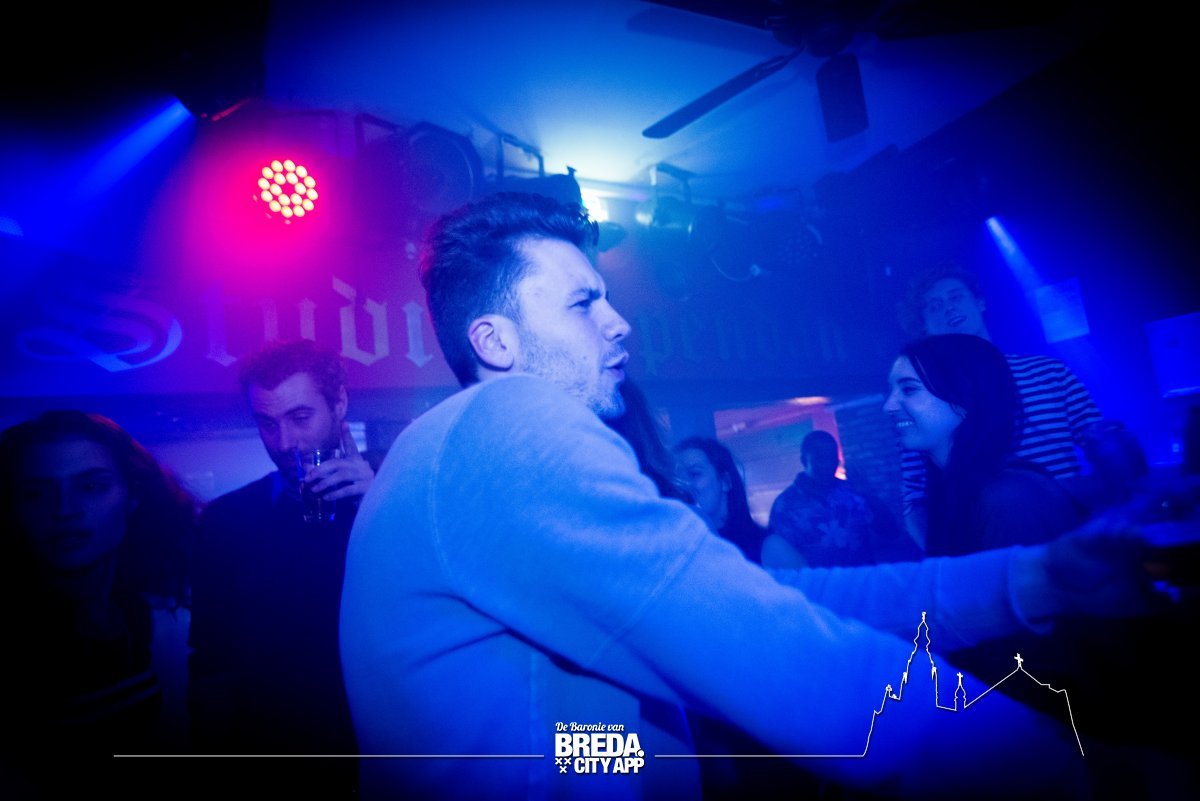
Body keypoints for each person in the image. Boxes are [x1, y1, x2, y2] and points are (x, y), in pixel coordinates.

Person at [338, 191, 1168, 801]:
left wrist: (1034, 578)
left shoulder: (461, 460)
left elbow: (761, 606)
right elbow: (780, 651)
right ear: (495, 341)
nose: (620, 322)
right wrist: (1093, 777)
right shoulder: (506, 420)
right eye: (585, 302)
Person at [187, 339, 373, 798]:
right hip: (273, 761)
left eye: (300, 417)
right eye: (267, 424)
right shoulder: (227, 520)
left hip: (390, 753)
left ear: (339, 404)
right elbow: (212, 661)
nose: (285, 442)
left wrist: (382, 505)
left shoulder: (396, 493)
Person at [0, 410, 195, 797]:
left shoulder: (139, 611)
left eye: (91, 486)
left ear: (133, 495)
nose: (64, 510)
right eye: (36, 493)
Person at [897, 263, 1104, 547]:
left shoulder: (1050, 372)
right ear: (925, 327)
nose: (948, 308)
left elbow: (1103, 447)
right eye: (935, 306)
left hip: (1075, 543)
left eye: (956, 297)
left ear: (980, 302)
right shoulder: (922, 404)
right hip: (993, 557)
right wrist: (949, 563)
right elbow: (915, 501)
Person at [883, 334, 1086, 557]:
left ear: (964, 397)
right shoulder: (955, 489)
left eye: (909, 389)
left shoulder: (1009, 498)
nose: (888, 406)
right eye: (891, 391)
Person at [764, 429, 918, 568]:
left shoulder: (854, 492)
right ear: (804, 461)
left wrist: (868, 494)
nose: (826, 464)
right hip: (817, 588)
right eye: (819, 458)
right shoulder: (785, 505)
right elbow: (778, 558)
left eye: (831, 458)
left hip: (861, 582)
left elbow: (891, 532)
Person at [674, 435, 766, 563]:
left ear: (725, 481)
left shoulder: (769, 547)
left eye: (694, 474)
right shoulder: (683, 551)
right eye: (678, 479)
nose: (684, 485)